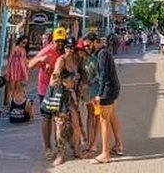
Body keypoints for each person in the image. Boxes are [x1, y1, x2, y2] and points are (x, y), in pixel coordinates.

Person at [84, 32, 123, 165]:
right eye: (85, 46)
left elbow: (103, 75)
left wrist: (99, 95)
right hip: (113, 89)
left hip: (107, 90)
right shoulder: (103, 53)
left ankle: (105, 153)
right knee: (111, 116)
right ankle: (118, 146)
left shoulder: (101, 54)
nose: (87, 48)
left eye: (88, 45)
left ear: (95, 42)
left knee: (104, 120)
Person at [27, 27, 66, 161]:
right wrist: (41, 59)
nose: (60, 43)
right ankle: (48, 147)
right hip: (45, 89)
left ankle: (60, 146)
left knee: (60, 118)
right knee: (47, 118)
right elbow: (30, 65)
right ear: (53, 40)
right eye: (57, 41)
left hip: (60, 89)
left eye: (62, 41)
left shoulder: (65, 51)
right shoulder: (47, 50)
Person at [50, 37, 84, 165]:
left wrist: (79, 88)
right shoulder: (61, 60)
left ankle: (76, 150)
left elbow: (80, 78)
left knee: (76, 124)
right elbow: (54, 77)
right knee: (60, 125)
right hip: (61, 95)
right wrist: (60, 82)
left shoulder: (76, 61)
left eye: (71, 47)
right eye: (66, 47)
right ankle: (60, 154)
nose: (69, 49)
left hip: (72, 96)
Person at [6, 35, 29, 104]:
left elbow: (25, 60)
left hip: (20, 69)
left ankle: (14, 102)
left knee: (17, 87)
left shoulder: (24, 50)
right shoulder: (15, 48)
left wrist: (26, 69)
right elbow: (10, 59)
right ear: (19, 41)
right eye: (23, 42)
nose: (24, 44)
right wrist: (7, 69)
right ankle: (10, 102)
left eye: (25, 43)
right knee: (11, 87)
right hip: (14, 68)